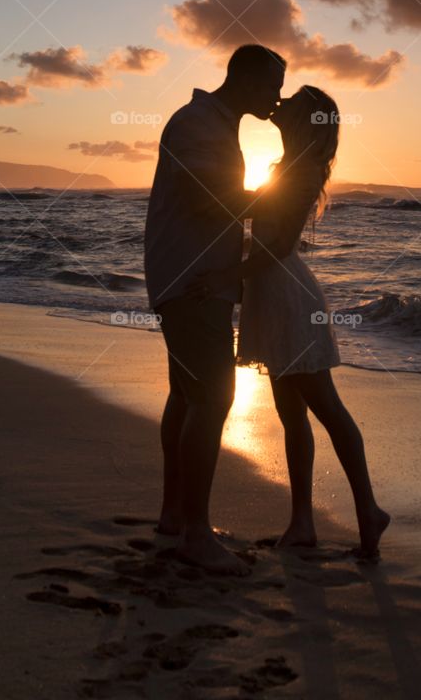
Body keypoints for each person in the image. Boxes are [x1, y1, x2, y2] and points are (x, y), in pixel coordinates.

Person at [189, 85, 390, 560]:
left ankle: (369, 511)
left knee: (327, 409)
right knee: (291, 416)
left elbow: (277, 247)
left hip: (288, 300)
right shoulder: (287, 168)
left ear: (309, 119)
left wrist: (226, 273)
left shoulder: (302, 173)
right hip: (273, 296)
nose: (281, 101)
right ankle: (302, 522)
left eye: (294, 99)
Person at [144, 44, 286, 575]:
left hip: (185, 276)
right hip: (194, 280)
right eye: (273, 86)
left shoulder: (210, 122)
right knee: (212, 396)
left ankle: (175, 516)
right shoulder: (199, 123)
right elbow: (209, 199)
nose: (277, 97)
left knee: (186, 395)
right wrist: (283, 198)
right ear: (247, 79)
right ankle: (196, 533)